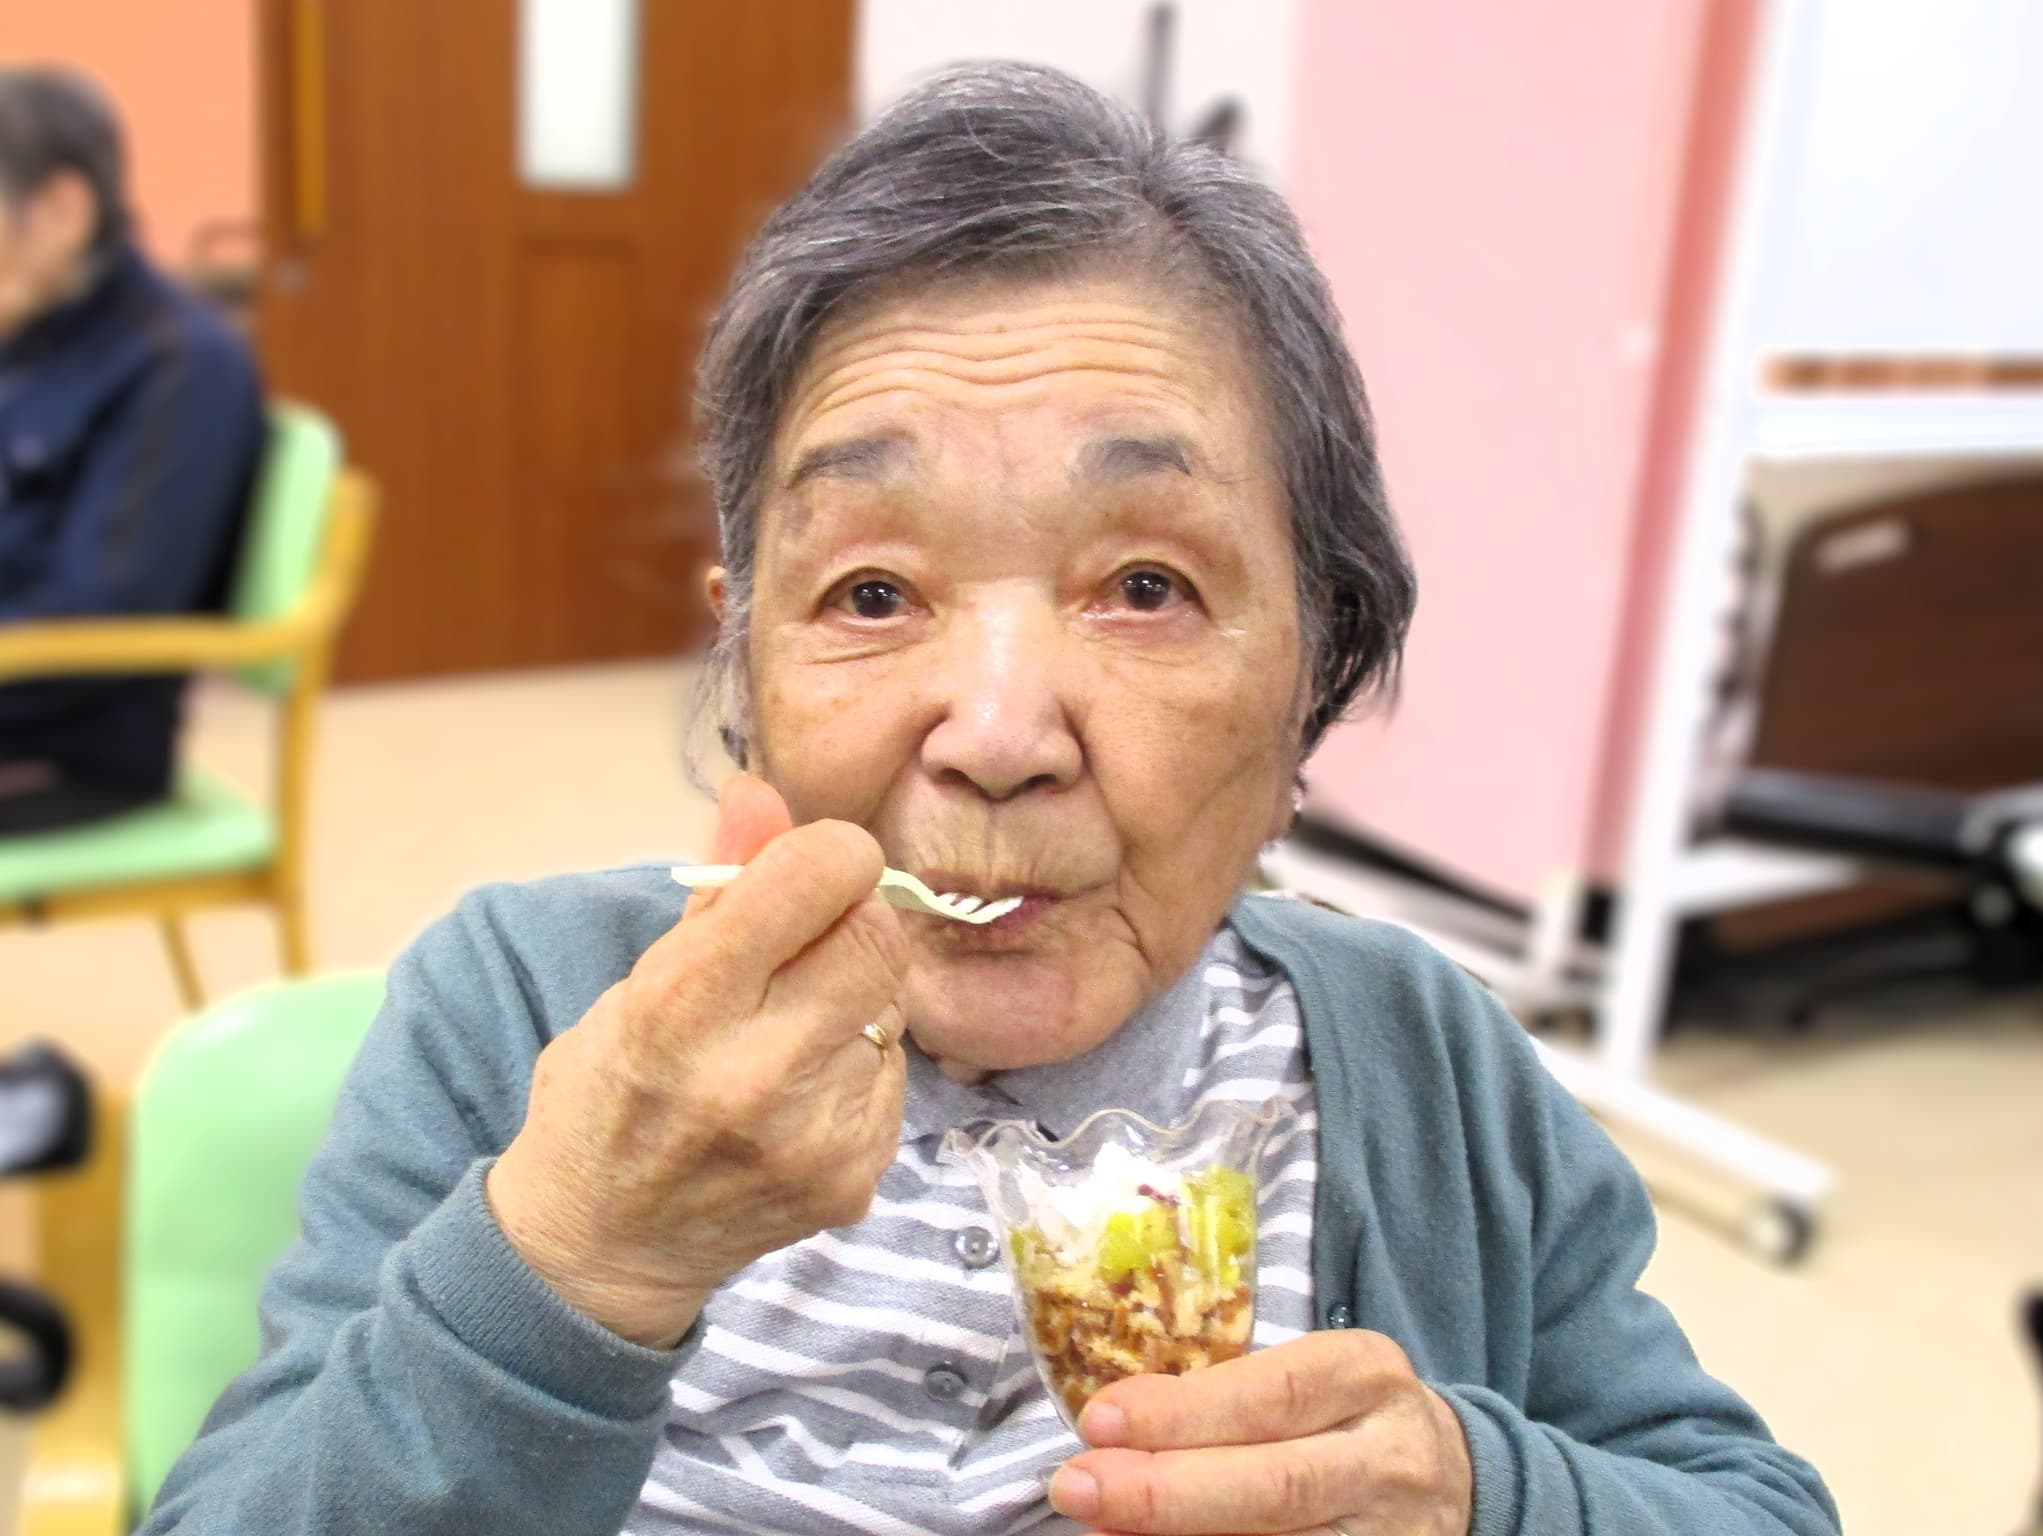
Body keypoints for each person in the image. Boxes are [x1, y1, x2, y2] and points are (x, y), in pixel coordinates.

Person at [139, 65, 1839, 1536]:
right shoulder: (519, 1008)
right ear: (746, 665)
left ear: (1315, 661)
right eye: (871, 595)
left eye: (1147, 588)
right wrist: (573, 1263)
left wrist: (1468, 1489)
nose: (998, 733)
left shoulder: (1421, 1065)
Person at [0, 67, 265, 836]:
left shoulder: (178, 360)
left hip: (68, 745)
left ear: (61, 209)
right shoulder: (31, 336)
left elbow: (95, 627)